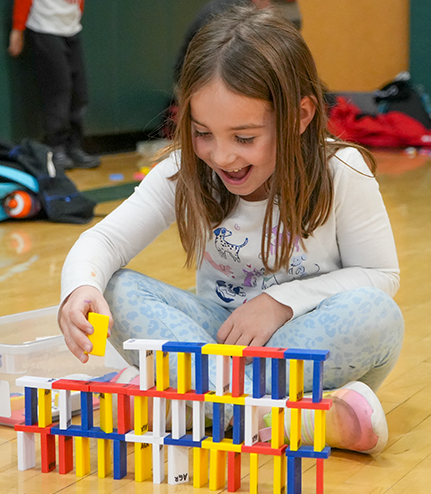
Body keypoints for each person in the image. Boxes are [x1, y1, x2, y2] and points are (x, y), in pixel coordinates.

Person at [58, 6, 404, 455]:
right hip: (218, 345)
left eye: (244, 138)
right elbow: (103, 240)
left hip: (302, 347)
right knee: (117, 287)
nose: (221, 157)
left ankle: (192, 403)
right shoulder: (187, 170)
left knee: (377, 313)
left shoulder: (342, 170)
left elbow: (381, 275)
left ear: (299, 116)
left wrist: (280, 303)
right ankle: (284, 419)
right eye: (203, 133)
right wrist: (78, 288)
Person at [9, 0, 101, 170]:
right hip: (45, 28)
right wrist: (18, 28)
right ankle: (56, 148)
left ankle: (74, 147)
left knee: (79, 93)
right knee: (59, 90)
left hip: (71, 28)